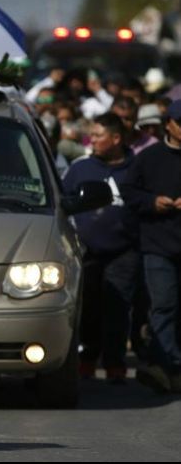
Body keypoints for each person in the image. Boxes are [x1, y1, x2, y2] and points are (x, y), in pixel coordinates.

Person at [62, 113, 141, 384]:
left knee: (117, 307)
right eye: (90, 135)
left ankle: (115, 363)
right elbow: (64, 201)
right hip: (87, 251)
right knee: (90, 306)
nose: (92, 141)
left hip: (124, 250)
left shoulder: (136, 168)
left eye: (98, 136)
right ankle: (87, 358)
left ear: (116, 138)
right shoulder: (80, 168)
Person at [122, 99, 181, 393]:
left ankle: (168, 366)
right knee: (164, 305)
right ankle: (166, 363)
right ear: (168, 124)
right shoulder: (149, 157)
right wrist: (152, 202)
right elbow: (129, 192)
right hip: (158, 245)